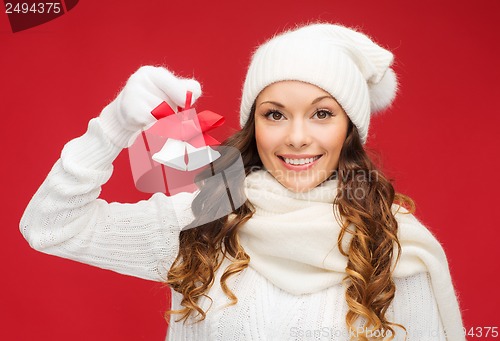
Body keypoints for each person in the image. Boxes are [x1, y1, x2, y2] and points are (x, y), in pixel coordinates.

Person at [20, 23, 465, 341]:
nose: (296, 137)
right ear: (254, 125)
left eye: (322, 113)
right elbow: (50, 227)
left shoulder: (391, 244)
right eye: (275, 114)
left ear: (350, 129)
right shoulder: (204, 221)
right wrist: (113, 125)